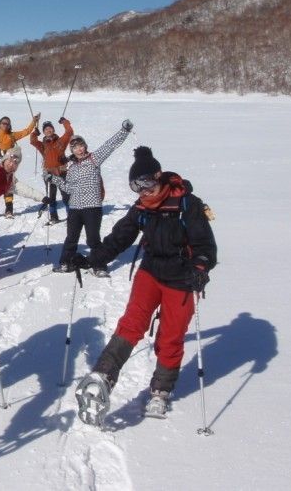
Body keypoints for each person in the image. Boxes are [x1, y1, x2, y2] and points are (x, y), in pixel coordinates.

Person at [75, 146, 217, 422]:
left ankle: (160, 391)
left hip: (182, 279)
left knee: (171, 336)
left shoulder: (188, 203)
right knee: (132, 323)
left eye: (146, 183)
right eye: (135, 186)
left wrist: (200, 266)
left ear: (159, 176)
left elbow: (205, 245)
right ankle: (104, 374)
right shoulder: (142, 207)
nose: (142, 191)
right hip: (151, 272)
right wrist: (94, 258)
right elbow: (120, 238)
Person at [48, 120, 133, 276]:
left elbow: (110, 145)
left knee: (93, 239)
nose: (78, 149)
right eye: (74, 147)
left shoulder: (94, 159)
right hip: (74, 208)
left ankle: (99, 265)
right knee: (71, 238)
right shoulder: (70, 166)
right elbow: (69, 188)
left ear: (85, 146)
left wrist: (124, 131)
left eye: (80, 145)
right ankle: (66, 263)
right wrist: (54, 179)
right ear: (72, 150)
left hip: (92, 207)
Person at [0, 145, 44, 269]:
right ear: (5, 158)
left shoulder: (9, 177)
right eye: (11, 160)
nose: (12, 164)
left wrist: (42, 197)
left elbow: (22, 189)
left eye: (16, 163)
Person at [30, 117, 74, 223]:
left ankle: (71, 217)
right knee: (51, 196)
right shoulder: (43, 145)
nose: (48, 130)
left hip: (62, 172)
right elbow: (33, 141)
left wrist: (64, 122)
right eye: (46, 129)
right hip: (49, 174)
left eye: (50, 128)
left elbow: (69, 132)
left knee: (66, 195)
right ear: (44, 132)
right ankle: (54, 217)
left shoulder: (60, 141)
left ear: (53, 130)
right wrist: (34, 133)